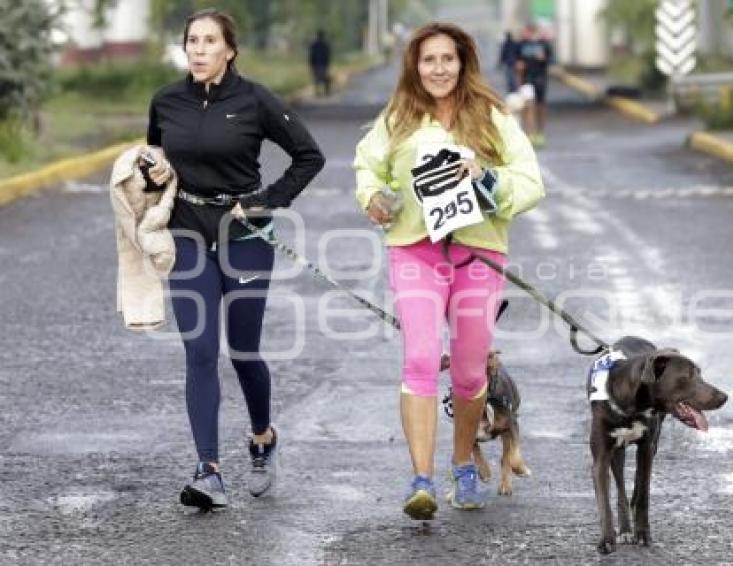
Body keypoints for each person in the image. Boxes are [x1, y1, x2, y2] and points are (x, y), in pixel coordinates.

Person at [353, 22, 544, 520]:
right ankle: (421, 479)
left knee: (467, 369)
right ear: (415, 66)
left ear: (463, 63)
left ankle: (462, 463)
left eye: (447, 59)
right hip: (415, 250)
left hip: (478, 252)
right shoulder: (398, 118)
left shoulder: (493, 118)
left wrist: (487, 179)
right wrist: (373, 198)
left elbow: (530, 182)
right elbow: (366, 168)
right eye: (428, 60)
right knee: (419, 358)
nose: (438, 69)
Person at [144, 8, 325, 510]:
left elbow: (309, 156)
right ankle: (209, 471)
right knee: (200, 350)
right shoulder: (166, 101)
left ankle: (263, 438)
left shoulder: (255, 99)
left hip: (244, 233)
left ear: (230, 50)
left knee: (244, 350)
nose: (199, 50)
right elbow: (154, 160)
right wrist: (151, 174)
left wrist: (267, 200)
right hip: (187, 231)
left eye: (209, 41)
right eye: (192, 41)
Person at [516, 23, 553, 148]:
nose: (526, 34)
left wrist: (544, 59)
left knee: (540, 107)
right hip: (527, 80)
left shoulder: (544, 45)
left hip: (540, 79)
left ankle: (540, 133)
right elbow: (514, 60)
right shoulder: (521, 45)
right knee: (528, 106)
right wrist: (518, 66)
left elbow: (551, 60)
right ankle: (529, 135)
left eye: (528, 32)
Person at [308, 30, 332, 97]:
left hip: (316, 64)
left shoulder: (314, 45)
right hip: (322, 64)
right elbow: (328, 55)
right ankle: (326, 91)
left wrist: (311, 64)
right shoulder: (325, 45)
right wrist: (327, 64)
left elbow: (311, 55)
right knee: (324, 78)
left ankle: (318, 92)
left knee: (317, 79)